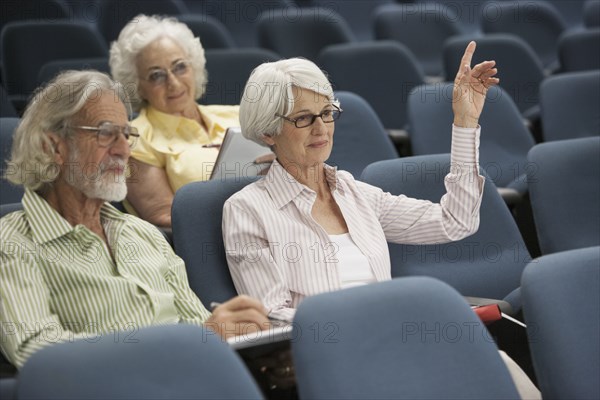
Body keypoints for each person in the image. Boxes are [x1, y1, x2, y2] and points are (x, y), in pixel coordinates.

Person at [0, 70, 269, 370]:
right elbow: (38, 354)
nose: (124, 149)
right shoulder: (12, 243)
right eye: (105, 133)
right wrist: (189, 344)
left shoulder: (143, 234)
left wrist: (248, 346)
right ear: (54, 147)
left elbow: (196, 324)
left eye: (126, 134)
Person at [109, 15, 240, 227]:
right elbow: (163, 215)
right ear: (137, 86)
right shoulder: (135, 139)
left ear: (194, 67)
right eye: (156, 75)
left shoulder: (237, 115)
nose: (173, 82)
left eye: (180, 67)